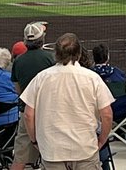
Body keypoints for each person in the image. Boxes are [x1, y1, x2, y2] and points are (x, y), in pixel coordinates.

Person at [20, 33, 114, 170]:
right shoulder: (92, 78)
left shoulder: (41, 78)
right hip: (84, 149)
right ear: (79, 53)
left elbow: (28, 115)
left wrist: (35, 141)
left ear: (56, 53)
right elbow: (107, 115)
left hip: (53, 151)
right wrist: (101, 141)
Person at [9, 22, 54, 170]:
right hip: (48, 113)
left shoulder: (18, 61)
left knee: (20, 156)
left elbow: (19, 90)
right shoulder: (50, 59)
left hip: (26, 112)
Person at [89, 45, 126, 124]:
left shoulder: (88, 75)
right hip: (120, 111)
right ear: (107, 57)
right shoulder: (118, 72)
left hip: (95, 113)